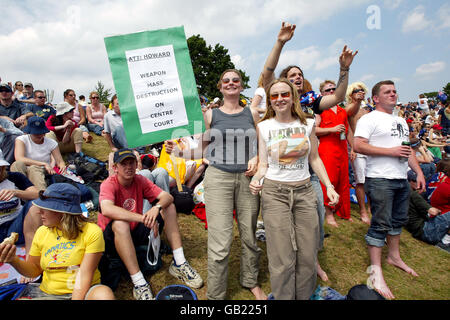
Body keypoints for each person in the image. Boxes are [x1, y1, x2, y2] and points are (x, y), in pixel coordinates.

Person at [165, 69, 266, 300]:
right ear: (220, 87)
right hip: (218, 177)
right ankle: (215, 296)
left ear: (241, 86)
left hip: (248, 179)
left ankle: (250, 280)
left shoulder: (252, 113)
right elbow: (202, 148)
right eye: (226, 81)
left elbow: (263, 143)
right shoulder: (210, 115)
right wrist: (179, 151)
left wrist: (258, 158)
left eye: (236, 80)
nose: (231, 83)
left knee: (249, 235)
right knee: (220, 241)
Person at [249, 78, 339, 300]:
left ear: (293, 98)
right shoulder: (263, 126)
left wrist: (328, 186)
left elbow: (315, 159)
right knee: (281, 256)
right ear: (270, 100)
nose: (280, 99)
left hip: (304, 191)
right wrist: (257, 179)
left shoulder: (307, 124)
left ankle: (305, 295)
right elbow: (263, 164)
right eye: (274, 95)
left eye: (284, 94)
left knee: (308, 253)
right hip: (274, 193)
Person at [354, 80, 426, 300]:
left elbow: (407, 150)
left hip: (401, 179)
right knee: (380, 224)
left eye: (394, 91)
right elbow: (358, 146)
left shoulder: (401, 120)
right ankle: (376, 271)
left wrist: (419, 172)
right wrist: (390, 151)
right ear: (376, 98)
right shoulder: (368, 118)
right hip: (380, 178)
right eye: (387, 92)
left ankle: (393, 257)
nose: (393, 94)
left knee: (398, 221)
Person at [99, 148, 203, 300]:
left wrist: (156, 208)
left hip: (134, 231)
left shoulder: (139, 179)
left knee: (169, 207)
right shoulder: (110, 184)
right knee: (121, 224)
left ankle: (179, 263)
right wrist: (142, 218)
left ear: (137, 165)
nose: (128, 167)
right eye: (124, 164)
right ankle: (139, 282)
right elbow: (107, 209)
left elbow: (167, 197)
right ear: (115, 167)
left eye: (131, 163)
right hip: (112, 238)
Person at [0, 183, 115, 300]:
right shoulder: (42, 232)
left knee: (104, 294)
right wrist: (13, 260)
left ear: (62, 211)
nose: (40, 211)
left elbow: (85, 275)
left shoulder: (91, 232)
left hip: (84, 291)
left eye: (46, 208)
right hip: (49, 294)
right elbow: (34, 270)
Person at [315, 80, 355, 227]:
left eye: (333, 89)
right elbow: (313, 130)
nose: (331, 92)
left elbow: (348, 130)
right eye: (328, 90)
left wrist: (353, 148)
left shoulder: (342, 111)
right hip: (327, 148)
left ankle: (344, 211)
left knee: (344, 179)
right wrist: (330, 130)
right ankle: (329, 213)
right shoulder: (319, 111)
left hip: (342, 147)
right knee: (329, 179)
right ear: (322, 94)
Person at [11, 116, 66, 191]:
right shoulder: (21, 140)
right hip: (26, 168)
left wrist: (62, 166)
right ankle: (21, 190)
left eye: (41, 133)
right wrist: (43, 163)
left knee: (34, 168)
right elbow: (19, 158)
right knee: (17, 164)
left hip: (41, 170)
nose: (39, 135)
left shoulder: (51, 143)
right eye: (36, 133)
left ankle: (41, 194)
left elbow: (60, 161)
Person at [0, 149, 39, 247]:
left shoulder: (14, 177)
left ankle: (31, 251)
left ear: (2, 168)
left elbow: (37, 194)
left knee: (35, 204)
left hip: (16, 224)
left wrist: (16, 192)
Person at [405, 170, 450, 252]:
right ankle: (444, 242)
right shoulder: (414, 195)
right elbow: (433, 211)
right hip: (424, 231)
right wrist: (439, 212)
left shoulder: (404, 193)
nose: (418, 183)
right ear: (409, 181)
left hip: (417, 228)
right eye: (415, 181)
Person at [346, 82, 371, 224]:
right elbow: (349, 113)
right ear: (351, 94)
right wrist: (353, 148)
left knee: (371, 180)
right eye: (356, 90)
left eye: (362, 90)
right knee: (360, 181)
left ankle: (370, 208)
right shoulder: (349, 108)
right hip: (356, 148)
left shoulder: (365, 111)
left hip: (369, 148)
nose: (360, 92)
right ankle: (363, 210)